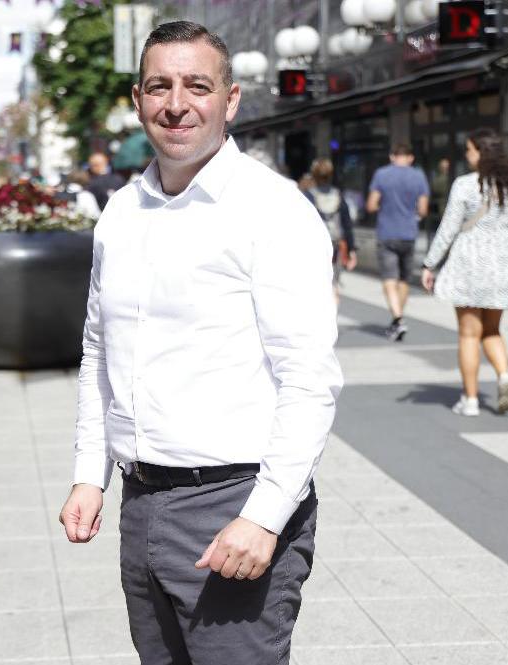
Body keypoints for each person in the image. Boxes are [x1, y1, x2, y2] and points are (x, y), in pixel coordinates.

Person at [58, 21, 341, 665]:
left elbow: (309, 379)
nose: (176, 104)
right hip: (141, 501)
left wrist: (265, 517)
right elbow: (99, 352)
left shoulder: (273, 210)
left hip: (233, 503)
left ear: (230, 100)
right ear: (138, 101)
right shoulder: (122, 213)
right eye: (159, 86)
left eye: (197, 86)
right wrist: (88, 474)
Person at [421, 128, 508, 417]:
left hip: (470, 263)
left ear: (481, 153)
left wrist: (430, 263)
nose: (467, 155)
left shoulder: (466, 185)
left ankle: (470, 400)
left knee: (469, 334)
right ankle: (504, 375)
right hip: (502, 265)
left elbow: (449, 227)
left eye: (469, 150)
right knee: (492, 329)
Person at [366, 143, 430, 341]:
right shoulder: (419, 176)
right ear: (410, 157)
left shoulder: (381, 175)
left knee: (389, 278)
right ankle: (397, 320)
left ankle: (398, 319)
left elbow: (371, 205)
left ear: (392, 156)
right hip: (409, 234)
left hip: (387, 232)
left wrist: (384, 208)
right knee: (403, 280)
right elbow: (423, 210)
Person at [304, 157, 357, 301]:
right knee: (333, 282)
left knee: (316, 281)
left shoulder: (308, 196)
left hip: (314, 244)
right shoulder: (338, 195)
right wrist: (352, 250)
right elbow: (347, 224)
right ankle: (333, 313)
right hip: (336, 244)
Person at [428, 157, 451, 242]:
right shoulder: (452, 179)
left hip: (442, 207)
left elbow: (433, 189)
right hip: (443, 206)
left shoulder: (438, 180)